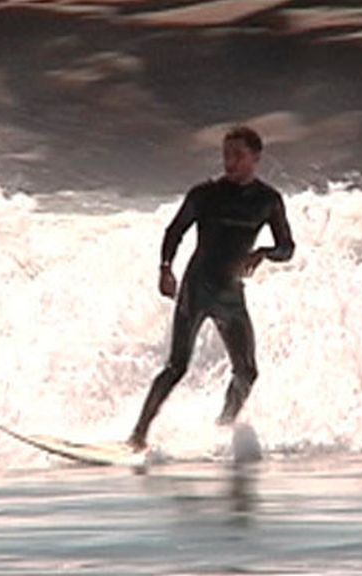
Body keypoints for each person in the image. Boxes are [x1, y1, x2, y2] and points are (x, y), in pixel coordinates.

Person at [128, 126, 295, 452]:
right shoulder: (205, 195)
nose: (230, 162)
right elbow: (174, 231)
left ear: (256, 157)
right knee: (177, 366)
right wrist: (165, 268)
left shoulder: (268, 201)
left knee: (247, 372)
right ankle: (138, 435)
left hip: (230, 294)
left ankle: (223, 429)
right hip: (197, 289)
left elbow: (287, 247)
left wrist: (264, 253)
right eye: (226, 155)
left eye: (238, 155)